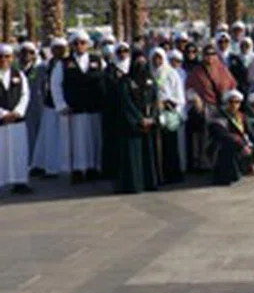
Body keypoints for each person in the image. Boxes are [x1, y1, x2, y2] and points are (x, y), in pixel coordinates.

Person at [52, 31, 107, 183]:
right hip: (74, 109)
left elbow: (106, 80)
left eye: (83, 42)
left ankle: (93, 168)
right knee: (76, 142)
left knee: (94, 139)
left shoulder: (98, 60)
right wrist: (62, 105)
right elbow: (55, 85)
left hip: (94, 107)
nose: (80, 46)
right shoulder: (63, 63)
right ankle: (77, 169)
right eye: (76, 43)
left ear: (88, 44)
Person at [184, 43, 237, 171]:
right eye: (207, 54)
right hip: (206, 107)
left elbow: (232, 85)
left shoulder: (222, 69)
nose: (210, 57)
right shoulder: (197, 72)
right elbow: (188, 88)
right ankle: (205, 163)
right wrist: (196, 99)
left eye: (212, 54)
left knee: (224, 134)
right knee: (206, 135)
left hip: (223, 107)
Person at [113, 51, 160, 194]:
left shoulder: (150, 80)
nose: (141, 65)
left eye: (143, 62)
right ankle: (133, 185)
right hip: (132, 125)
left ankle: (149, 182)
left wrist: (152, 117)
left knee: (148, 154)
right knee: (132, 156)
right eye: (138, 62)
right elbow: (126, 103)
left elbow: (155, 100)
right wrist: (139, 119)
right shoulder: (125, 81)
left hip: (148, 123)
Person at [30, 38, 69, 177]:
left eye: (62, 47)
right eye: (56, 48)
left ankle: (59, 167)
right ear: (51, 50)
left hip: (65, 106)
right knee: (48, 137)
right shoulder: (45, 65)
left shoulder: (68, 64)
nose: (59, 50)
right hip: (49, 105)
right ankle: (43, 165)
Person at [209, 90, 254, 185]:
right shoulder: (217, 116)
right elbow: (222, 134)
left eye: (237, 102)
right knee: (230, 145)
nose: (234, 105)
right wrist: (241, 145)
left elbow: (251, 133)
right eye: (231, 102)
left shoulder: (241, 116)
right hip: (221, 147)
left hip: (241, 146)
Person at [0, 44, 32, 194]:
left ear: (12, 58)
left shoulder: (19, 75)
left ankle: (20, 181)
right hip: (2, 120)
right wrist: (3, 114)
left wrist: (18, 112)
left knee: (19, 151)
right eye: (1, 57)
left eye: (7, 56)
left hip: (17, 120)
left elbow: (25, 95)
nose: (4, 60)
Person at [151, 48, 185, 183]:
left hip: (169, 112)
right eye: (154, 58)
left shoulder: (171, 73)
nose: (157, 61)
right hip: (154, 113)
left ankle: (172, 175)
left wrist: (166, 102)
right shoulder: (150, 73)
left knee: (170, 145)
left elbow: (178, 95)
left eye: (159, 58)